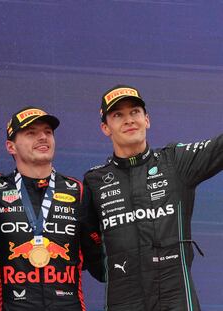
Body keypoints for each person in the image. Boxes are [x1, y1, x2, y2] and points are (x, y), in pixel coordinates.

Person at [83, 85, 223, 311]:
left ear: (146, 119)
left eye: (135, 112)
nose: (129, 120)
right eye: (118, 115)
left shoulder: (175, 162)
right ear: (105, 128)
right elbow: (86, 243)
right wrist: (112, 269)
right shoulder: (94, 180)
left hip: (176, 300)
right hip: (124, 301)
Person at [0, 107, 102, 311]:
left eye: (47, 132)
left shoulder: (78, 191)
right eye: (31, 133)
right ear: (10, 146)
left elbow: (99, 264)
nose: (42, 137)